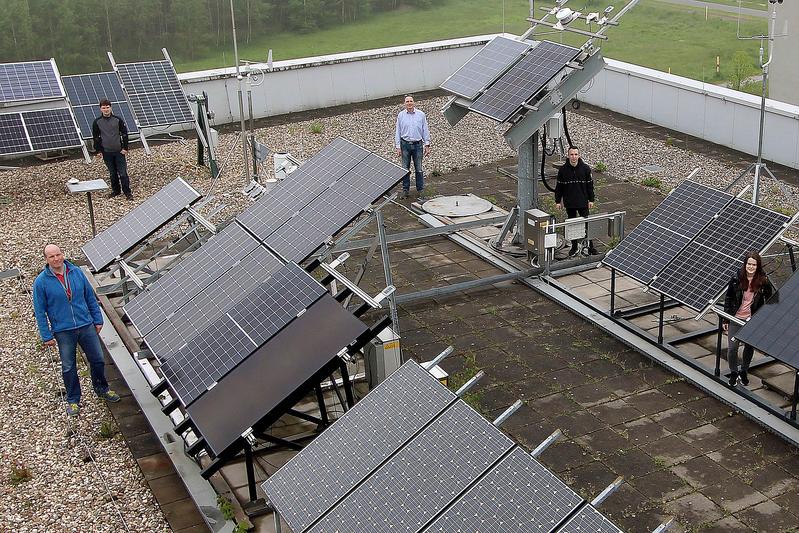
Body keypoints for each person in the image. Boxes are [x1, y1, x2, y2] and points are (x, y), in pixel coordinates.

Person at [33, 244, 120, 416]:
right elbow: (39, 310)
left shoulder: (76, 273)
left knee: (98, 359)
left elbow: (90, 297)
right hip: (63, 330)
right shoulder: (41, 282)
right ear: (46, 260)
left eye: (58, 254)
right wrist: (46, 334)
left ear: (63, 255)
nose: (56, 259)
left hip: (85, 325)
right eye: (52, 256)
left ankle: (102, 388)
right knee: (68, 366)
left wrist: (98, 319)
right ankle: (73, 400)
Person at [722, 251, 774, 387]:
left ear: (758, 266)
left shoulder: (763, 281)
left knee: (749, 347)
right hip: (736, 317)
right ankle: (734, 372)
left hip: (751, 320)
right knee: (732, 348)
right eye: (749, 264)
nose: (751, 267)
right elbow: (728, 299)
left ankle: (744, 371)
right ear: (745, 264)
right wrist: (726, 319)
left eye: (754, 265)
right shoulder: (736, 279)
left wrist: (761, 315)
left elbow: (771, 298)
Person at [555, 146, 597, 257]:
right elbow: (559, 187)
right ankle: (574, 247)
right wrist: (558, 201)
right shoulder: (563, 170)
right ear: (568, 156)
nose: (574, 157)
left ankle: (591, 246)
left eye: (575, 154)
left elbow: (590, 186)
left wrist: (591, 199)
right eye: (571, 154)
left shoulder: (585, 169)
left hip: (583, 202)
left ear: (579, 155)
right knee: (572, 225)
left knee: (587, 225)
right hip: (570, 203)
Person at [92, 98, 132, 200]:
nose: (106, 110)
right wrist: (98, 150)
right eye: (103, 108)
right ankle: (116, 191)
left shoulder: (118, 120)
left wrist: (125, 148)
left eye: (107, 107)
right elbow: (96, 137)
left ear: (111, 108)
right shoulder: (97, 122)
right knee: (112, 173)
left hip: (119, 151)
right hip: (107, 152)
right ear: (100, 109)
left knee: (123, 173)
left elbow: (124, 134)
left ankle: (127, 192)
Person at [394, 95, 431, 200]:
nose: (409, 103)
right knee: (405, 169)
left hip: (418, 145)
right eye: (407, 101)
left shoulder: (421, 115)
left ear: (414, 102)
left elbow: (425, 130)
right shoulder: (401, 115)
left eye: (411, 101)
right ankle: (405, 190)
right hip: (404, 144)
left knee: (419, 168)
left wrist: (427, 144)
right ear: (404, 103)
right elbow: (398, 131)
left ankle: (420, 190)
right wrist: (398, 147)